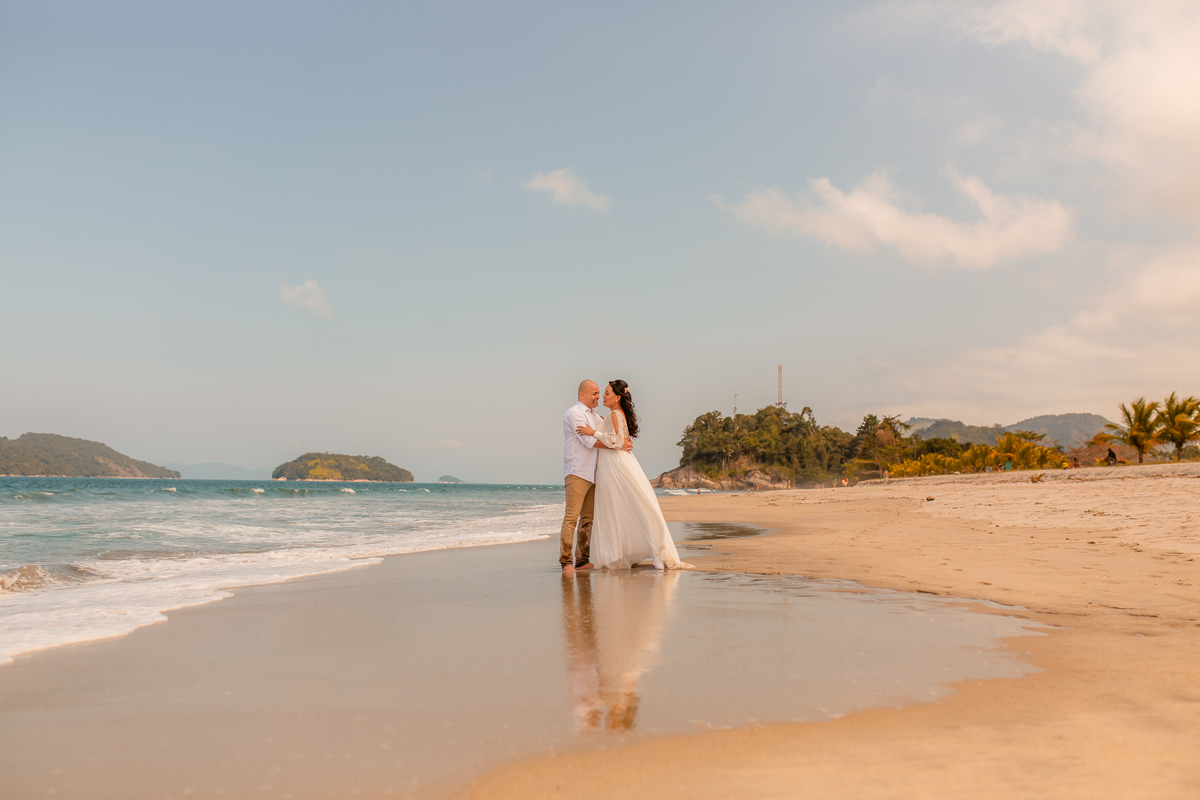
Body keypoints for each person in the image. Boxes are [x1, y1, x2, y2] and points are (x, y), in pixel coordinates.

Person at [575, 380, 693, 570]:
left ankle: (621, 552)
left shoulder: (614, 413)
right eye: (602, 393)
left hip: (614, 463)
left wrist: (593, 432)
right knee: (627, 504)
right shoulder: (615, 413)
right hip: (619, 461)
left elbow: (616, 441)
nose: (603, 396)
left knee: (617, 506)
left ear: (618, 397)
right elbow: (621, 439)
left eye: (606, 393)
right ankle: (630, 550)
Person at [560, 380, 632, 576]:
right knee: (572, 518)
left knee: (587, 519)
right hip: (577, 471)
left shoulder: (596, 417)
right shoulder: (575, 413)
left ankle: (582, 560)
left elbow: (612, 434)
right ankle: (566, 562)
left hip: (594, 473)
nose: (598, 396)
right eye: (594, 393)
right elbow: (589, 441)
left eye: (600, 393)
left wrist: (623, 442)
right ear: (582, 394)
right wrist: (618, 445)